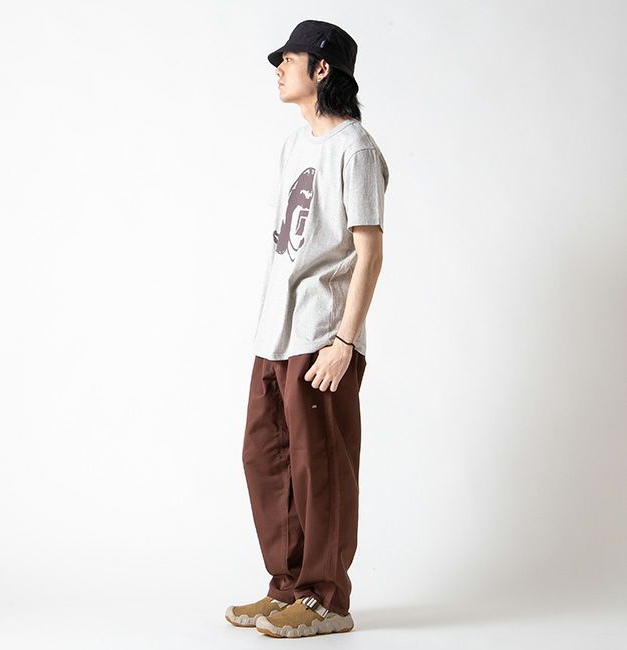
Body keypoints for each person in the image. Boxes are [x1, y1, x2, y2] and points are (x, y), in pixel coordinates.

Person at [225, 19, 389, 638]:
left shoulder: (356, 149)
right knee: (267, 458)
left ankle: (326, 599)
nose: (278, 69)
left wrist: (344, 342)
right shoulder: (296, 145)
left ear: (322, 69)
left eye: (288, 59)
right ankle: (288, 588)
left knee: (320, 468)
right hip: (277, 332)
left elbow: (369, 253)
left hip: (323, 333)